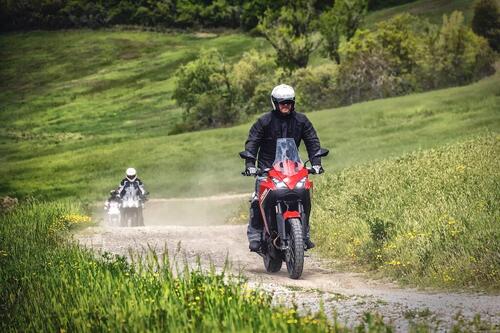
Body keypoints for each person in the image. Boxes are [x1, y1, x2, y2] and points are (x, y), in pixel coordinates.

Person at [243, 84, 324, 252]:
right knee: (257, 200)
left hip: (293, 170)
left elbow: (312, 142)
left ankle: (304, 234)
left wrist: (316, 163)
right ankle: (255, 235)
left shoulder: (302, 121)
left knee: (305, 194)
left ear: (293, 102)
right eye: (282, 102)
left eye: (288, 102)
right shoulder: (264, 121)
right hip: (267, 171)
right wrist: (250, 164)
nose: (285, 105)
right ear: (275, 103)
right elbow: (252, 142)